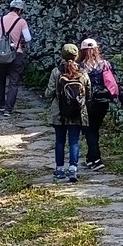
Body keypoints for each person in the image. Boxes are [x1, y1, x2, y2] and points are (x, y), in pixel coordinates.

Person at [78, 39, 123, 171]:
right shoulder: (105, 64)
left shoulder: (80, 67)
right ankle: (90, 158)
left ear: (82, 51)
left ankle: (96, 160)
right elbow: (113, 83)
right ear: (97, 49)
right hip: (103, 102)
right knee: (94, 129)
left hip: (87, 102)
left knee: (88, 130)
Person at [44, 43, 92, 183]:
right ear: (77, 56)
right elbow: (88, 93)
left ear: (62, 56)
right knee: (74, 141)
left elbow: (49, 92)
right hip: (77, 112)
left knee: (60, 141)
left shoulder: (56, 71)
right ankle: (73, 169)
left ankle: (59, 169)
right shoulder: (83, 72)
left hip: (59, 112)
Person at [0, 0, 32, 117]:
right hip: (16, 54)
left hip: (1, 53)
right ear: (20, 10)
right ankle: (8, 109)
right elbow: (28, 37)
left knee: (0, 79)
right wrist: (20, 42)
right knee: (13, 82)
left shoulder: (0, 19)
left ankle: (1, 104)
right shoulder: (21, 22)